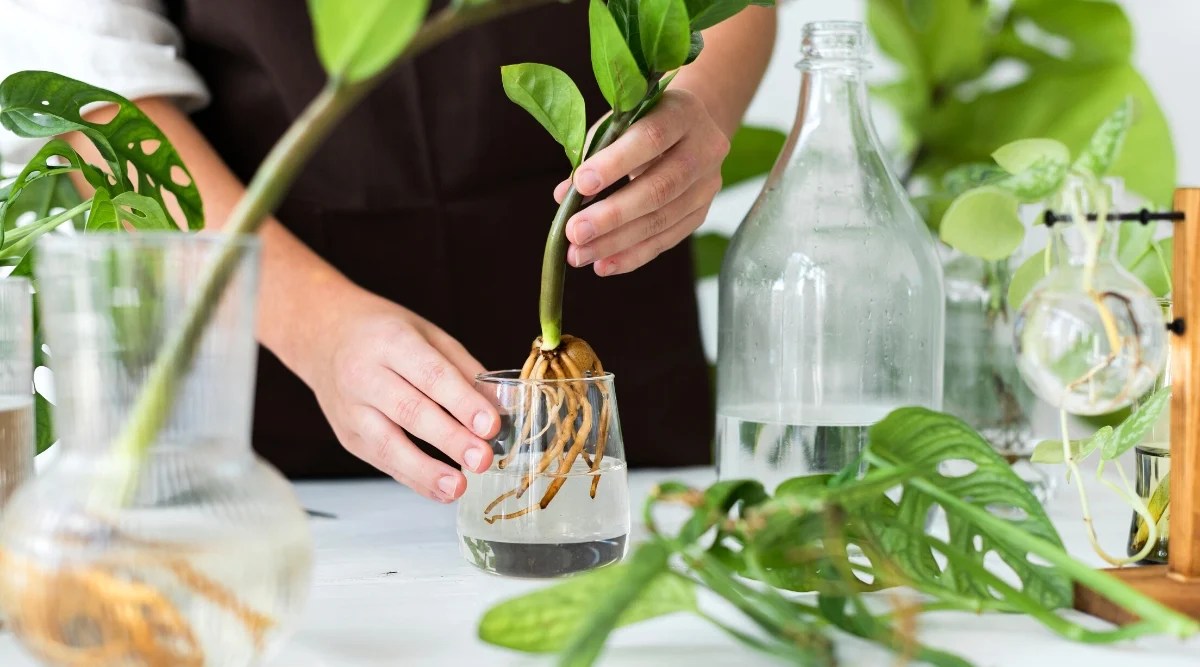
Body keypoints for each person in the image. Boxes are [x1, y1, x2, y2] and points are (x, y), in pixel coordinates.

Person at [0, 0, 776, 502]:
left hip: (616, 379)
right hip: (264, 398)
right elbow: (93, 86)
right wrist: (319, 327)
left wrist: (696, 111)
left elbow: (735, 5)